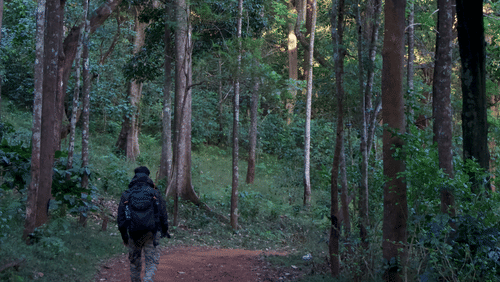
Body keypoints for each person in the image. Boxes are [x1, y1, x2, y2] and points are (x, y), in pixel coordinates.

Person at [117, 166, 170, 282]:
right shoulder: (154, 193)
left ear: (134, 177)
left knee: (134, 264)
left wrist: (124, 236)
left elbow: (120, 218)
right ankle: (148, 279)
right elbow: (162, 214)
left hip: (133, 234)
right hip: (151, 233)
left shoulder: (127, 194)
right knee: (151, 262)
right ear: (148, 176)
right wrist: (165, 230)